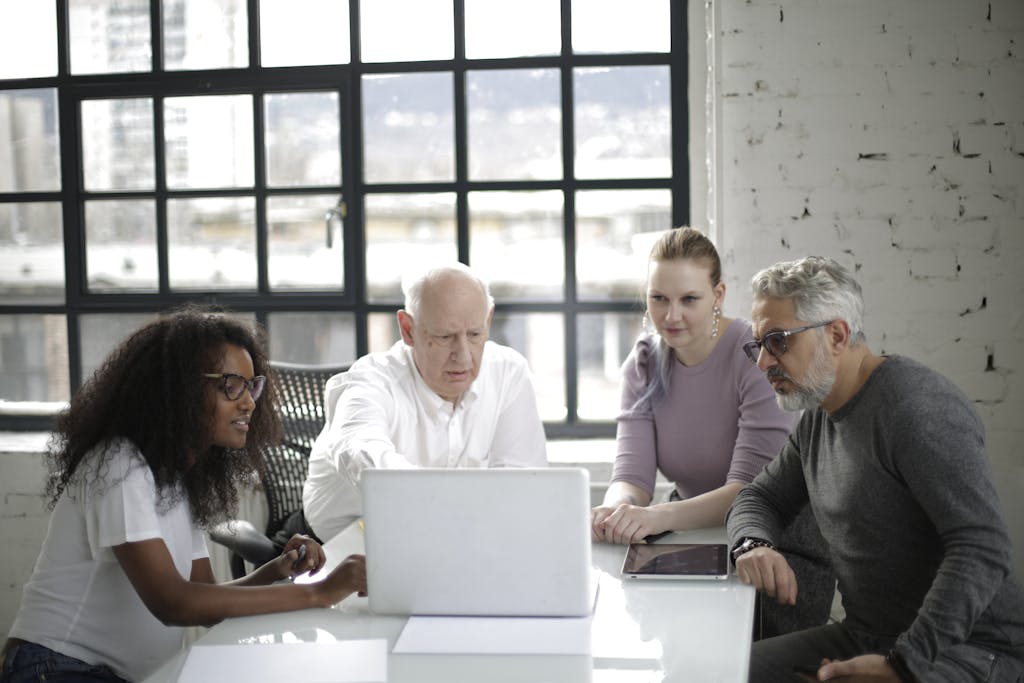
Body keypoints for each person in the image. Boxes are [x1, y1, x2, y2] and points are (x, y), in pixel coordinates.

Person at [1, 305, 367, 683]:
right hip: (55, 667)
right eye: (231, 385)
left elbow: (204, 599)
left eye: (251, 385)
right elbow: (174, 602)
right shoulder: (119, 464)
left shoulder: (175, 479)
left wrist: (277, 570)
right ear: (180, 389)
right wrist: (320, 593)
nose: (249, 402)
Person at [728, 256, 1024, 682]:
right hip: (869, 636)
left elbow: (983, 547)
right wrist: (752, 544)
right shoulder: (819, 415)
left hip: (969, 650)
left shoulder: (916, 410)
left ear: (836, 335)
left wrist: (902, 664)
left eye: (777, 341)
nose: (762, 363)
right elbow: (760, 497)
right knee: (726, 670)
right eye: (757, 345)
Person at [590, 227, 833, 637]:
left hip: (774, 542)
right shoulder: (645, 361)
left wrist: (649, 518)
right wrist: (618, 511)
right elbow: (632, 477)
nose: (671, 316)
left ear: (718, 295)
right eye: (659, 299)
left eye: (689, 299)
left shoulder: (754, 356)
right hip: (691, 538)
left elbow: (749, 493)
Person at [303, 262, 547, 542]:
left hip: (449, 543)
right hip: (339, 549)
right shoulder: (370, 381)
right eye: (444, 337)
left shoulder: (508, 372)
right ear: (408, 329)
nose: (464, 356)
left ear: (488, 321)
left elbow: (522, 484)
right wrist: (447, 506)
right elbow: (359, 452)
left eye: (475, 334)